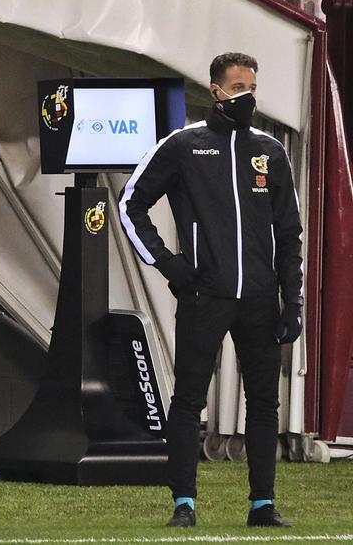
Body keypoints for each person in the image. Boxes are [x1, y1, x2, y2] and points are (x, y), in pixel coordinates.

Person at [119, 52, 303, 529]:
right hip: (205, 295)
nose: (248, 95)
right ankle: (185, 503)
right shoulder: (183, 145)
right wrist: (171, 265)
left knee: (264, 403)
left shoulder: (271, 151)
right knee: (188, 401)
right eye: (238, 86)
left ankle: (262, 505)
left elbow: (290, 234)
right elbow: (130, 205)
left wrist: (293, 300)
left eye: (252, 86)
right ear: (216, 90)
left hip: (262, 299)